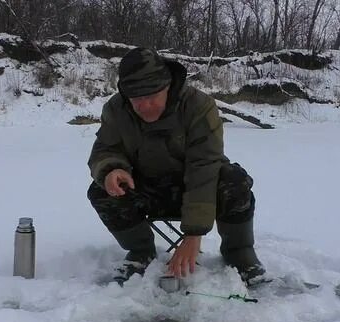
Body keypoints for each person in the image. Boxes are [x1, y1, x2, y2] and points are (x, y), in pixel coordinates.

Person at [87, 47, 265, 286]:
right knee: (101, 189)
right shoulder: (116, 109)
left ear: (167, 86)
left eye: (152, 96)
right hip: (147, 188)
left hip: (196, 190)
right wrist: (112, 169)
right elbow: (104, 150)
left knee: (235, 180)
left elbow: (204, 167)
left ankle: (239, 251)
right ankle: (141, 251)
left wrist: (194, 233)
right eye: (137, 99)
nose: (145, 105)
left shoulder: (198, 106)